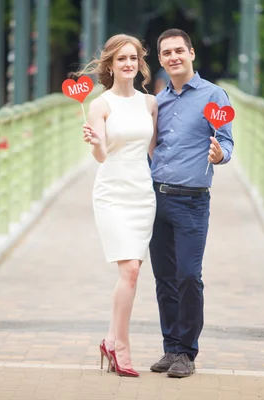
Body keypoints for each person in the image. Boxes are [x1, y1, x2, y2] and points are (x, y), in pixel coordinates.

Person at [148, 28, 234, 378]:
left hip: (192, 203)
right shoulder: (158, 101)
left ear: (192, 53)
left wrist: (219, 155)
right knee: (164, 278)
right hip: (156, 199)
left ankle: (187, 352)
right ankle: (171, 349)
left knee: (188, 276)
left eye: (179, 51)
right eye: (167, 53)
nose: (174, 57)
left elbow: (227, 143)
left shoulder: (215, 96)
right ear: (160, 60)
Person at [79, 34, 158, 378]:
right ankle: (121, 345)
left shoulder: (150, 103)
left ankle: (110, 340)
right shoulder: (100, 105)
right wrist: (97, 142)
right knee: (130, 270)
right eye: (121, 59)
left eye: (133, 58)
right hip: (112, 194)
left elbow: (155, 152)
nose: (128, 64)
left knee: (133, 272)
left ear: (140, 63)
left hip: (143, 194)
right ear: (110, 65)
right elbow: (101, 156)